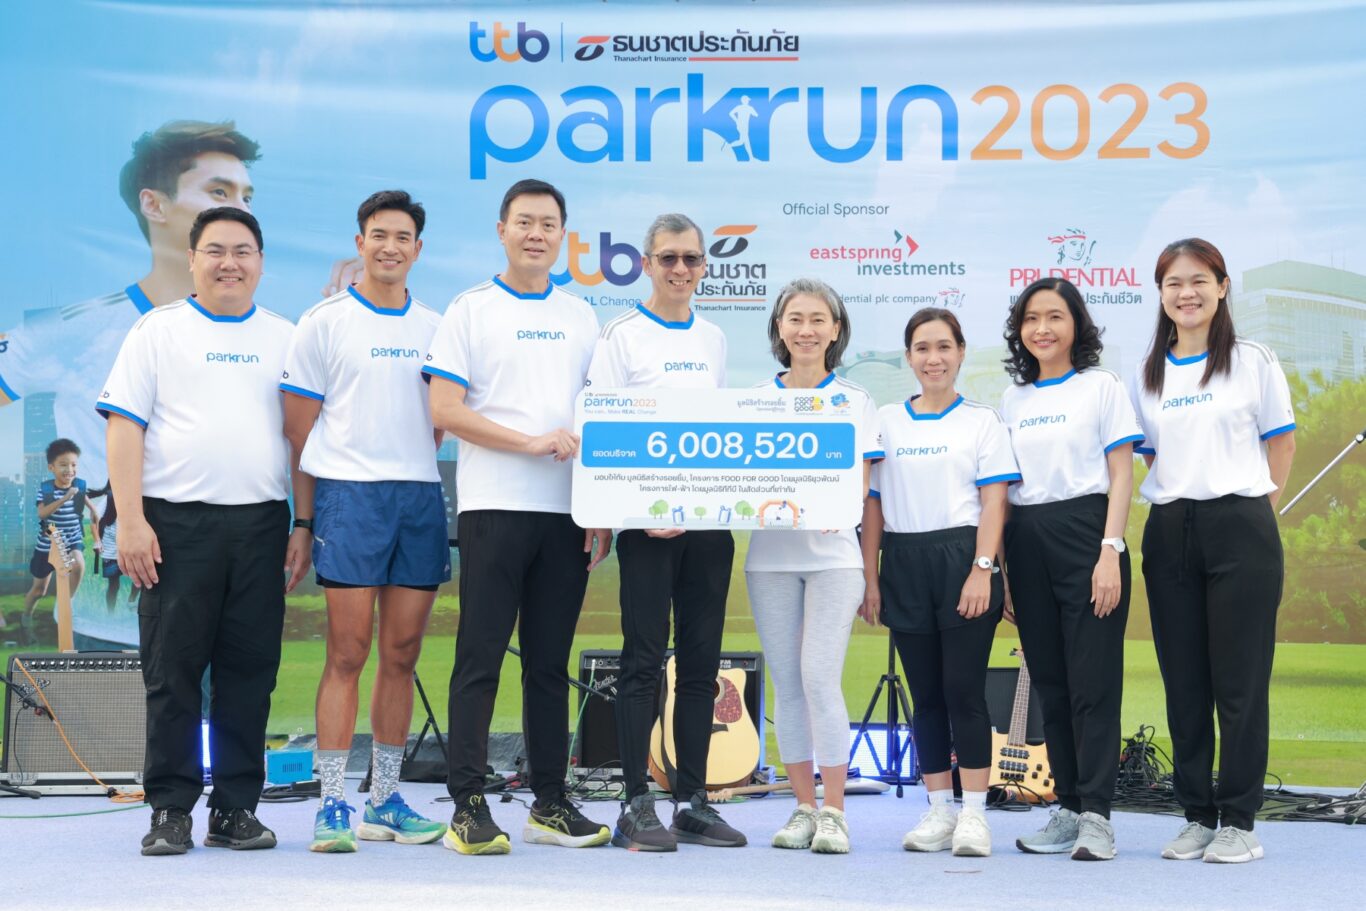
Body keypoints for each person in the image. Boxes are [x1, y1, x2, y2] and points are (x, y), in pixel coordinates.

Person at [0, 120, 261, 651]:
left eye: (247, 197)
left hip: (224, 600)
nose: (240, 209)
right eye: (219, 192)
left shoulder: (272, 334)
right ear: (154, 204)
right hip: (111, 617)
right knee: (118, 711)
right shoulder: (76, 330)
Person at [99, 207, 306, 856]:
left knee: (251, 671)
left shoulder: (286, 337)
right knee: (173, 671)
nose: (229, 263)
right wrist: (131, 519)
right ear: (191, 259)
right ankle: (170, 808)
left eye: (242, 251)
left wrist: (302, 522)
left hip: (262, 524)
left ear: (260, 262)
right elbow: (124, 426)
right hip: (174, 526)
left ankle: (236, 808)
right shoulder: (157, 331)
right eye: (215, 250)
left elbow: (301, 440)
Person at [424, 179, 611, 855]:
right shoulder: (470, 309)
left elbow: (601, 417)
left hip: (566, 514)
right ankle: (468, 805)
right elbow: (445, 409)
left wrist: (600, 508)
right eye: (525, 222)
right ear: (502, 230)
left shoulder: (581, 316)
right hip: (493, 508)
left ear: (563, 235)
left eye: (549, 224)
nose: (537, 234)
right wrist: (529, 442)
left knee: (549, 665)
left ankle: (550, 803)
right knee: (479, 659)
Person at [282, 191, 450, 853]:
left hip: (418, 498)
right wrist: (305, 520)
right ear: (360, 243)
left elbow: (439, 422)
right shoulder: (324, 322)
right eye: (379, 234)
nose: (390, 246)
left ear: (418, 249)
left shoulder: (438, 327)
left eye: (402, 237)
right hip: (350, 501)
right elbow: (299, 433)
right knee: (348, 652)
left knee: (401, 654)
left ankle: (384, 799)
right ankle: (331, 803)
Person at [1128, 238, 1295, 864]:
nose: (1186, 293)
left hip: (1242, 526)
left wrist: (1255, 514)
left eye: (1199, 280)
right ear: (1161, 294)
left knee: (1240, 683)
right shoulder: (1147, 373)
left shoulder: (1252, 360)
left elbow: (1281, 444)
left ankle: (1239, 821)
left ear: (1222, 287)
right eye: (1173, 283)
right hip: (1170, 528)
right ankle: (1197, 815)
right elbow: (1150, 456)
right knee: (1185, 684)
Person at [587, 214, 743, 852]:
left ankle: (694, 803)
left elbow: (716, 432)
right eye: (669, 258)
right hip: (647, 529)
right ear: (647, 264)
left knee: (702, 665)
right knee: (642, 662)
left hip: (707, 528)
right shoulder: (620, 335)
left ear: (704, 266)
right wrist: (626, 512)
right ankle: (635, 801)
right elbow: (602, 431)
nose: (681, 269)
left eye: (692, 259)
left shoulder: (714, 337)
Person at [860, 307, 1019, 858]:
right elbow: (873, 506)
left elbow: (994, 503)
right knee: (925, 697)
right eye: (923, 348)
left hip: (963, 560)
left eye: (944, 347)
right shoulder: (885, 421)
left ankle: (974, 815)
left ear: (961, 352)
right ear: (908, 357)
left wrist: (983, 568)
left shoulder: (982, 421)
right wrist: (870, 577)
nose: (934, 358)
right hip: (903, 563)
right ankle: (938, 810)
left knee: (963, 692)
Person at [999, 278, 1142, 861]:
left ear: (1076, 324)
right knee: (1051, 685)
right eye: (1032, 318)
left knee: (1092, 684)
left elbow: (1122, 473)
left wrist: (1111, 549)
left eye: (1055, 316)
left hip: (1088, 535)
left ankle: (1098, 817)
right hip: (1026, 541)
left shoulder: (1101, 387)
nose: (1043, 328)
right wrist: (1005, 571)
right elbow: (1005, 493)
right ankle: (1069, 806)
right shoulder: (1012, 399)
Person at [744, 278, 881, 855]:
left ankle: (835, 813)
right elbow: (736, 477)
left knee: (819, 677)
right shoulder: (754, 399)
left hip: (834, 562)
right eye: (795, 318)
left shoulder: (855, 400)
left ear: (835, 329)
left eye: (818, 319)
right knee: (788, 684)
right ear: (779, 327)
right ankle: (802, 807)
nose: (806, 330)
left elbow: (863, 490)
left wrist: (836, 514)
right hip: (769, 562)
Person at [23, 438, 100, 635]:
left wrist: (94, 513)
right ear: (52, 467)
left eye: (74, 465)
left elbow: (88, 504)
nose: (70, 470)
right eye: (64, 465)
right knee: (39, 590)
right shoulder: (46, 490)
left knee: (78, 564)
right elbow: (42, 514)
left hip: (72, 538)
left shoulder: (79, 486)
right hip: (48, 544)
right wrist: (65, 498)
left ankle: (66, 604)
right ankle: (26, 615)